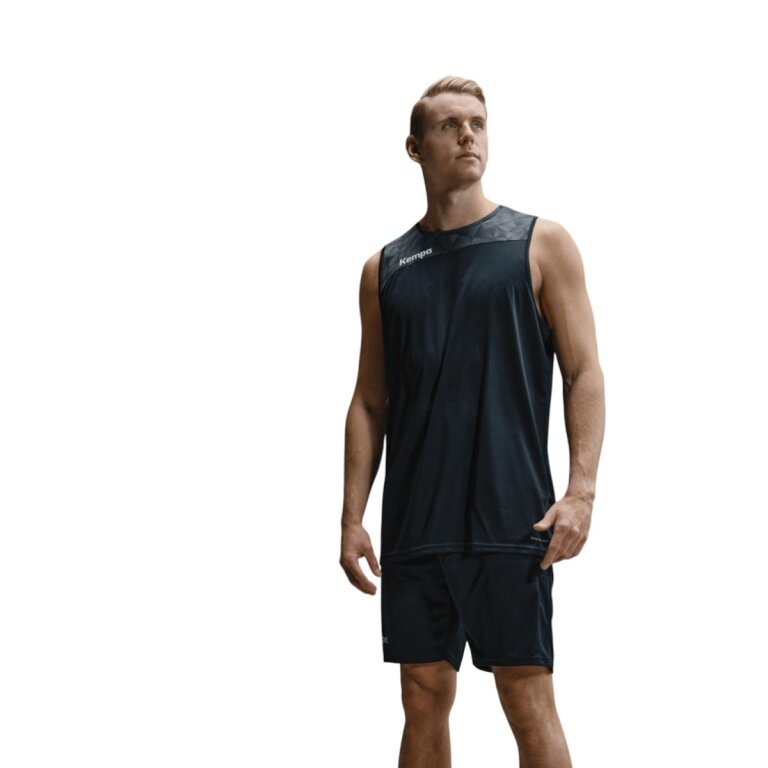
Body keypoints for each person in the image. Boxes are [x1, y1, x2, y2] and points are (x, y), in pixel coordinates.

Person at [339, 75, 605, 768]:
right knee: (422, 694)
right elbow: (370, 401)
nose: (467, 135)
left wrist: (580, 492)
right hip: (416, 520)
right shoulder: (384, 269)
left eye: (478, 123)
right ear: (414, 147)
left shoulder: (541, 244)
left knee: (526, 693)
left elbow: (583, 372)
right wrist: (352, 517)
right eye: (450, 125)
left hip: (512, 515)